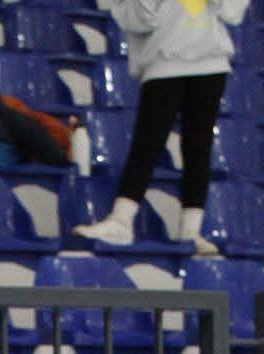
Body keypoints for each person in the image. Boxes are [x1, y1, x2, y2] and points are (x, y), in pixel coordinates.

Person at [75, 0, 249, 254]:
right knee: (148, 142)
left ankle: (190, 230)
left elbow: (233, 12)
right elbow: (134, 19)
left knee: (198, 146)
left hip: (211, 60)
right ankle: (121, 220)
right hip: (162, 60)